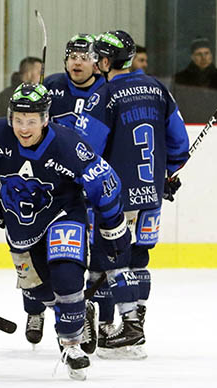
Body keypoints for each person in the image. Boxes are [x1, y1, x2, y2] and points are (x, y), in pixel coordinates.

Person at [0, 82, 129, 380]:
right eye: (18, 120)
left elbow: (104, 183)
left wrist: (115, 228)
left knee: (66, 276)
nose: (24, 127)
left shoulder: (68, 144)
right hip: (20, 220)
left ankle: (72, 344)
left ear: (45, 119)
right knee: (38, 289)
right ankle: (78, 312)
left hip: (62, 213)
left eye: (31, 120)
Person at [76, 30, 189, 359]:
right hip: (151, 195)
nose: (95, 62)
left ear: (108, 61)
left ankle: (122, 326)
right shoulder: (157, 89)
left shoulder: (105, 94)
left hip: (116, 196)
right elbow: (178, 143)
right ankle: (134, 325)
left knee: (107, 259)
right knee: (138, 258)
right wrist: (167, 173)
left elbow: (87, 149)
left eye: (98, 56)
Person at [18, 34, 106, 351]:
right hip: (45, 186)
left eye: (84, 56)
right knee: (29, 253)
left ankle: (85, 313)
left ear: (97, 61)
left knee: (75, 259)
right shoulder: (52, 85)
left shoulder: (106, 90)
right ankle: (36, 310)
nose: (77, 62)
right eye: (72, 55)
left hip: (85, 185)